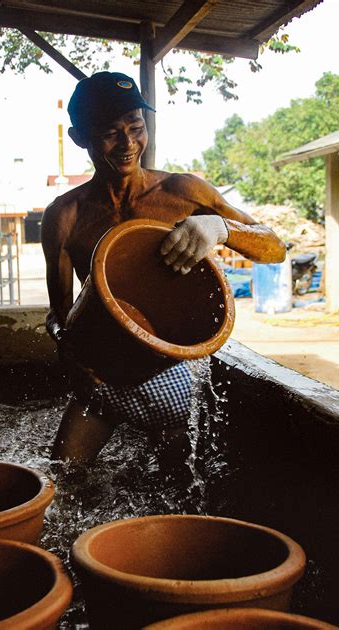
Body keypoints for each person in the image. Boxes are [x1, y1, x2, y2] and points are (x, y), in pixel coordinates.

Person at [41, 71, 286, 475]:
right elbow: (60, 316)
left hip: (169, 373)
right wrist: (68, 350)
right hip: (100, 380)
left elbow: (273, 248)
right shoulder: (65, 217)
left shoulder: (183, 193)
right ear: (79, 137)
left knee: (181, 487)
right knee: (62, 482)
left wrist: (221, 229)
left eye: (137, 128)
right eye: (110, 133)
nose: (128, 144)